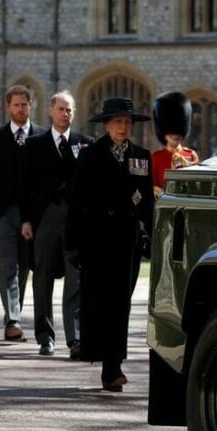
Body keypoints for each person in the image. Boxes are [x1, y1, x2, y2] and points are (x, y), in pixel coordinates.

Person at [66, 97, 153, 392]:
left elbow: (148, 205)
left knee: (121, 304)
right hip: (96, 240)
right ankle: (102, 359)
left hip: (127, 241)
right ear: (106, 125)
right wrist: (73, 244)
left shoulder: (141, 157)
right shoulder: (91, 155)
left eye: (128, 122)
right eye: (118, 122)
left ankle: (113, 365)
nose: (123, 127)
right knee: (97, 302)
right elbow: (76, 201)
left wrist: (152, 238)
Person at [20, 90, 92, 358]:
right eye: (61, 109)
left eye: (70, 110)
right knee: (43, 278)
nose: (66, 114)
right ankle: (45, 336)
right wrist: (26, 220)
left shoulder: (85, 143)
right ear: (50, 111)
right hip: (45, 219)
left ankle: (75, 338)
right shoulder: (34, 144)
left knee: (75, 278)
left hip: (75, 220)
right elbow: (24, 185)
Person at [0, 85, 45, 342]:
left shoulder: (42, 137)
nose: (21, 109)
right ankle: (13, 320)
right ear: (8, 106)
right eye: (16, 104)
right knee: (8, 265)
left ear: (31, 105)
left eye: (25, 104)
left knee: (24, 268)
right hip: (4, 214)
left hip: (32, 214)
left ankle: (14, 312)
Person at [151, 91, 197, 197]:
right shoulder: (155, 158)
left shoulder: (191, 155)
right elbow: (151, 185)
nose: (175, 135)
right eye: (170, 132)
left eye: (177, 132)